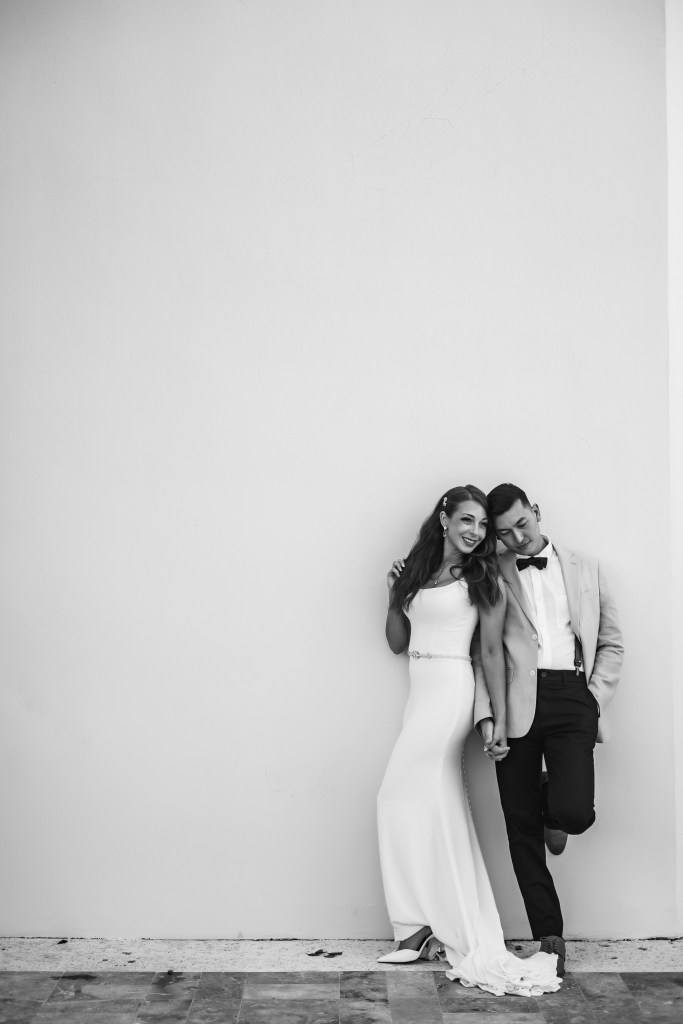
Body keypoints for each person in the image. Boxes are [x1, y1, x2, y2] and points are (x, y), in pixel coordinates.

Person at [377, 485, 561, 996]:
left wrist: (497, 721)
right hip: (420, 690)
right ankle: (419, 924)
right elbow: (396, 642)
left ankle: (416, 925)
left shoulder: (481, 578)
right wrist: (394, 594)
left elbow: (492, 654)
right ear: (444, 517)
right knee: (429, 804)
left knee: (393, 796)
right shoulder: (416, 569)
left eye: (482, 524)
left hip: (452, 693)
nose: (476, 532)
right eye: (468, 520)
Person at [483, 483, 624, 979]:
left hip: (571, 699)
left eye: (523, 524)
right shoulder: (491, 571)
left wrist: (593, 699)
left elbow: (611, 641)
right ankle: (549, 935)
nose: (517, 539)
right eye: (504, 534)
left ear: (536, 512)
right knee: (519, 827)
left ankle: (554, 805)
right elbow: (484, 654)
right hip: (514, 704)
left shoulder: (587, 567)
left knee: (574, 814)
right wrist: (488, 718)